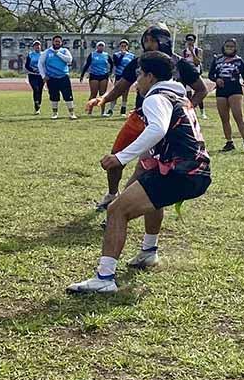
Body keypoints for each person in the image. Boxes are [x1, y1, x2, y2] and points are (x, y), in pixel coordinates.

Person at [67, 51, 211, 294]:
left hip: (181, 172)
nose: (136, 81)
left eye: (139, 75)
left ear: (150, 76)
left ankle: (104, 278)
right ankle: (148, 252)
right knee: (151, 196)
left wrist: (120, 157)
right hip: (197, 172)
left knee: (116, 210)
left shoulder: (155, 98)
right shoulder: (178, 95)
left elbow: (157, 128)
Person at [86, 24, 207, 210]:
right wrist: (103, 98)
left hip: (164, 123)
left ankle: (119, 208)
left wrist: (186, 109)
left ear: (164, 41)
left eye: (152, 40)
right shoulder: (140, 61)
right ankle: (112, 195)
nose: (148, 44)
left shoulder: (180, 63)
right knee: (116, 157)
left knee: (145, 168)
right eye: (146, 40)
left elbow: (201, 89)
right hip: (140, 117)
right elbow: (122, 85)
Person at [209, 38, 244, 152]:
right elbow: (210, 74)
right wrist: (216, 79)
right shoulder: (217, 59)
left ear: (235, 48)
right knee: (224, 118)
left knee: (238, 115)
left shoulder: (238, 60)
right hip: (221, 90)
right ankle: (229, 142)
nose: (229, 48)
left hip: (235, 89)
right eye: (227, 46)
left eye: (231, 46)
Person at [40, 35, 77, 120]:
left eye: (58, 41)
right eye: (55, 41)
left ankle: (71, 113)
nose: (57, 43)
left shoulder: (64, 51)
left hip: (63, 77)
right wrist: (43, 75)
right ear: (53, 42)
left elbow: (69, 60)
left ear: (61, 43)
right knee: (54, 96)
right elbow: (40, 64)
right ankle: (54, 113)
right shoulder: (47, 52)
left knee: (68, 96)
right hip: (52, 78)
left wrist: (58, 53)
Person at [80, 41, 114, 117]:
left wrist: (110, 72)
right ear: (97, 46)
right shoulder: (92, 55)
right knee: (93, 94)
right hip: (94, 75)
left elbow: (112, 64)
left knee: (102, 94)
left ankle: (102, 112)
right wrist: (82, 75)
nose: (101, 47)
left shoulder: (106, 55)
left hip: (104, 76)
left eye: (102, 46)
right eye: (99, 46)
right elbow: (87, 65)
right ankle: (89, 111)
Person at [182, 33, 208, 120]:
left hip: (196, 73)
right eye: (188, 40)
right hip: (187, 74)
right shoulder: (184, 52)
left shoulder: (198, 50)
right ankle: (190, 111)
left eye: (191, 40)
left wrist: (192, 52)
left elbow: (198, 62)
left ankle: (202, 112)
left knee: (199, 92)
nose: (190, 42)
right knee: (188, 94)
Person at [111, 39, 136, 117]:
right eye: (122, 46)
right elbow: (117, 63)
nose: (123, 47)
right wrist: (122, 55)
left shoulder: (131, 55)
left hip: (127, 76)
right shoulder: (116, 55)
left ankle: (123, 110)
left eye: (125, 46)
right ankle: (111, 109)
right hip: (119, 75)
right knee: (115, 92)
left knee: (125, 94)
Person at [24, 40, 45, 115]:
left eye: (38, 45)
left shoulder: (43, 54)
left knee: (40, 90)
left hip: (41, 75)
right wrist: (33, 69)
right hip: (32, 75)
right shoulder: (30, 55)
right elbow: (27, 65)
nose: (37, 47)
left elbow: (46, 64)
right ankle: (36, 104)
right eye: (36, 45)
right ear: (33, 47)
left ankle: (38, 106)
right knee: (35, 89)